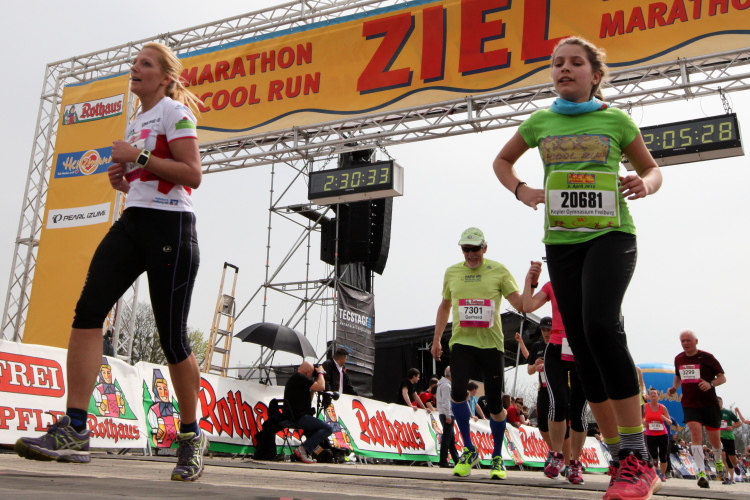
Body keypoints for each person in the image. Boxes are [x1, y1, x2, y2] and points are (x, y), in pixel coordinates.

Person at [15, 42, 206, 482]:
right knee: (87, 313)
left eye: (145, 64)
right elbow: (149, 175)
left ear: (165, 78)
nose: (134, 68)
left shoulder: (175, 112)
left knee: (173, 339)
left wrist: (137, 157)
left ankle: (192, 435)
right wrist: (124, 180)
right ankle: (75, 429)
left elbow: (192, 174)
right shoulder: (137, 120)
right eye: (134, 62)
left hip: (172, 228)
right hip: (133, 222)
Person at [493, 36, 663, 500]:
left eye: (574, 63)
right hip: (562, 242)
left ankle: (640, 458)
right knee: (582, 348)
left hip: (611, 235)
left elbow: (653, 170)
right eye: (556, 63)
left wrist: (644, 184)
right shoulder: (540, 121)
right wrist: (522, 190)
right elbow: (502, 161)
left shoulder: (616, 120)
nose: (563, 69)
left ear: (595, 74)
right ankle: (621, 459)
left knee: (601, 327)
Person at [431, 227, 524, 480]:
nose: (471, 254)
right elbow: (445, 305)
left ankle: (497, 456)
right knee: (457, 392)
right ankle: (469, 450)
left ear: (485, 248)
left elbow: (519, 303)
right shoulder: (452, 272)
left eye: (475, 249)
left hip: (491, 345)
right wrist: (437, 339)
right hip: (462, 342)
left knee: (494, 404)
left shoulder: (499, 270)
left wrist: (531, 283)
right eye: (466, 249)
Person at [522, 263, 588, 485]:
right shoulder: (552, 286)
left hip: (581, 348)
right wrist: (531, 281)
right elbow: (527, 305)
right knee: (557, 403)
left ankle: (575, 463)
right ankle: (556, 454)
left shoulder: (588, 283)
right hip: (557, 349)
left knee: (578, 410)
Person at [667, 329, 727, 489]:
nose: (685, 343)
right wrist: (674, 388)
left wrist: (710, 384)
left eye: (688, 340)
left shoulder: (707, 357)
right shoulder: (679, 358)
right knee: (695, 435)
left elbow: (722, 377)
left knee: (715, 441)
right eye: (682, 341)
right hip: (690, 403)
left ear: (696, 341)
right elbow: (678, 376)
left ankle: (718, 460)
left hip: (709, 404)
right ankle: (701, 473)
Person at [283, 361, 333, 464]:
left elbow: (308, 400)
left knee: (315, 430)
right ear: (308, 372)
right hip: (298, 417)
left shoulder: (296, 379)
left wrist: (313, 388)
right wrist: (320, 373)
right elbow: (322, 387)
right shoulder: (300, 378)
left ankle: (308, 452)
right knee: (328, 428)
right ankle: (303, 449)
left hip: (295, 415)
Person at [643, 388, 671, 481]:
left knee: (663, 455)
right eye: (651, 393)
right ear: (649, 396)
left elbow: (670, 422)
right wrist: (644, 422)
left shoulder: (662, 407)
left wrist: (665, 419)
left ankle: (663, 474)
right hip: (650, 434)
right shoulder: (645, 406)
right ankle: (655, 473)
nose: (653, 395)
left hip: (662, 434)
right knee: (653, 454)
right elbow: (640, 418)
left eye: (655, 393)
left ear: (658, 396)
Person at [436, 366, 460, 468]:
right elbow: (446, 402)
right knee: (447, 438)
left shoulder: (442, 384)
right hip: (447, 414)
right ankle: (443, 461)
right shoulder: (446, 386)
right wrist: (448, 415)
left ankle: (456, 460)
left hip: (445, 413)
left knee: (450, 438)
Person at [717, 397, 741, 485]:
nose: (717, 403)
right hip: (718, 437)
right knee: (724, 456)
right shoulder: (713, 412)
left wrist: (732, 427)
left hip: (728, 437)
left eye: (719, 401)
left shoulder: (728, 412)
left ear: (722, 402)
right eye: (716, 401)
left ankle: (735, 466)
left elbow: (739, 422)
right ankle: (728, 477)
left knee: (731, 457)